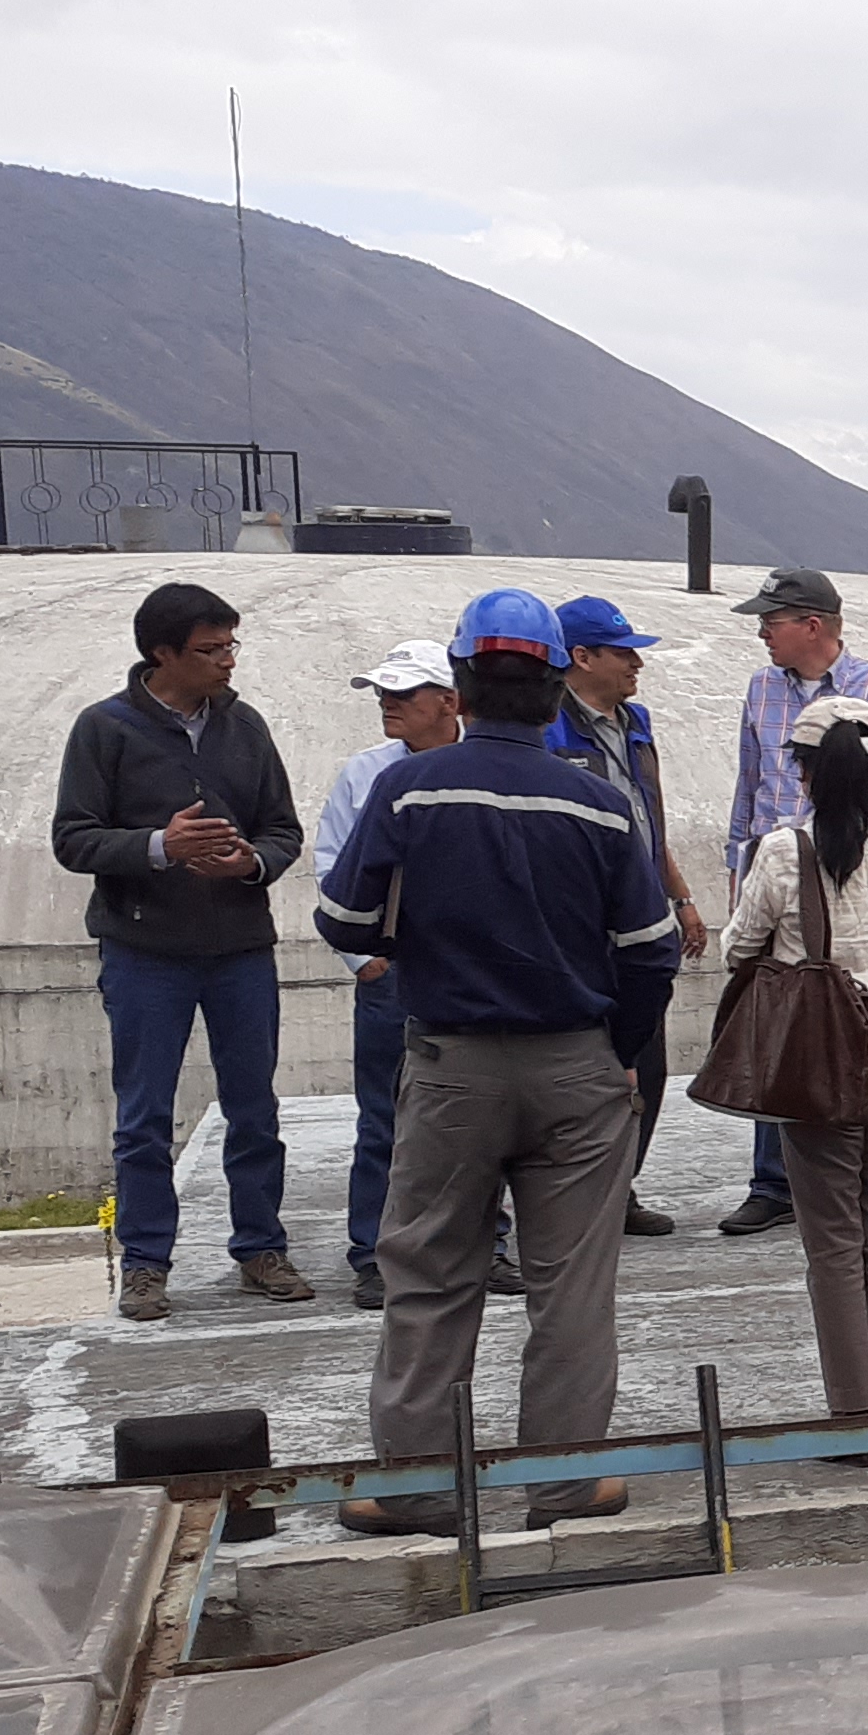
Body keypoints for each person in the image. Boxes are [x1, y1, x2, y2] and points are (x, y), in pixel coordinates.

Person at [317, 589, 679, 1537]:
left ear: (463, 682)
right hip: (577, 1070)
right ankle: (564, 1483)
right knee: (571, 1285)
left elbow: (345, 920)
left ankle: (417, 1482)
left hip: (451, 1068)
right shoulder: (601, 806)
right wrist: (617, 1047)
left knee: (430, 1274)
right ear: (558, 682)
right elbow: (651, 948)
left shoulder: (408, 789)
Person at [49, 578, 312, 1320]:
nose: (227, 661)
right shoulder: (103, 730)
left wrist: (250, 863)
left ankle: (260, 1248)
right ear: (161, 653)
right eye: (209, 649)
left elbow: (283, 830)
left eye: (232, 645)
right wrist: (159, 846)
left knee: (255, 1108)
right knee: (143, 1117)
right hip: (145, 950)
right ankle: (145, 1264)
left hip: (239, 948)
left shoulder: (246, 727)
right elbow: (73, 838)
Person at [722, 697, 868, 1429]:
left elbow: (738, 948)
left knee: (834, 1238)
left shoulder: (787, 850)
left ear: (806, 773)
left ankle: (853, 1409)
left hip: (825, 1047)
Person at [714, 568, 868, 1236]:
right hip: (782, 873)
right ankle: (773, 1181)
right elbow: (750, 785)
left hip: (852, 873)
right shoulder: (760, 689)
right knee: (783, 1017)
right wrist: (739, 869)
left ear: (813, 624)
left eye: (771, 620)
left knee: (854, 1015)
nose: (761, 632)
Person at [545, 593, 712, 1235]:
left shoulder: (637, 724)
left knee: (648, 1063)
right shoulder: (548, 730)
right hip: (578, 928)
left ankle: (621, 1189)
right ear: (580, 657)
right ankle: (571, 1196)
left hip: (641, 925)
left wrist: (683, 897)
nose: (635, 665)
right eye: (623, 653)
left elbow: (651, 819)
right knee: (582, 1064)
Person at [313, 638, 463, 1312]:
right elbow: (331, 863)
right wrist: (363, 958)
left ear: (448, 701)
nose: (387, 704)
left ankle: (481, 1242)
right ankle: (373, 1253)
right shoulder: (365, 773)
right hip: (394, 969)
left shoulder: (483, 766)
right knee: (384, 1118)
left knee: (477, 1113)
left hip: (471, 970)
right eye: (383, 693)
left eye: (402, 694)